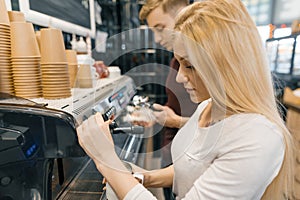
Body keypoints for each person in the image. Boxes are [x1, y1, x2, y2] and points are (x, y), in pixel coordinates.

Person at [77, 0, 294, 199]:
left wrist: (108, 161)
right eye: (179, 63)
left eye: (189, 65)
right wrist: (146, 177)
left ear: (227, 64)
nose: (180, 77)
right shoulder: (207, 107)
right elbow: (191, 166)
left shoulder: (257, 138)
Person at [138, 1, 198, 198]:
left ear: (182, 15)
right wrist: (157, 115)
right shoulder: (176, 61)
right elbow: (176, 103)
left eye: (160, 28)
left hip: (191, 161)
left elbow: (220, 125)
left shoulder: (202, 63)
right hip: (172, 158)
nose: (156, 38)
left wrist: (176, 121)